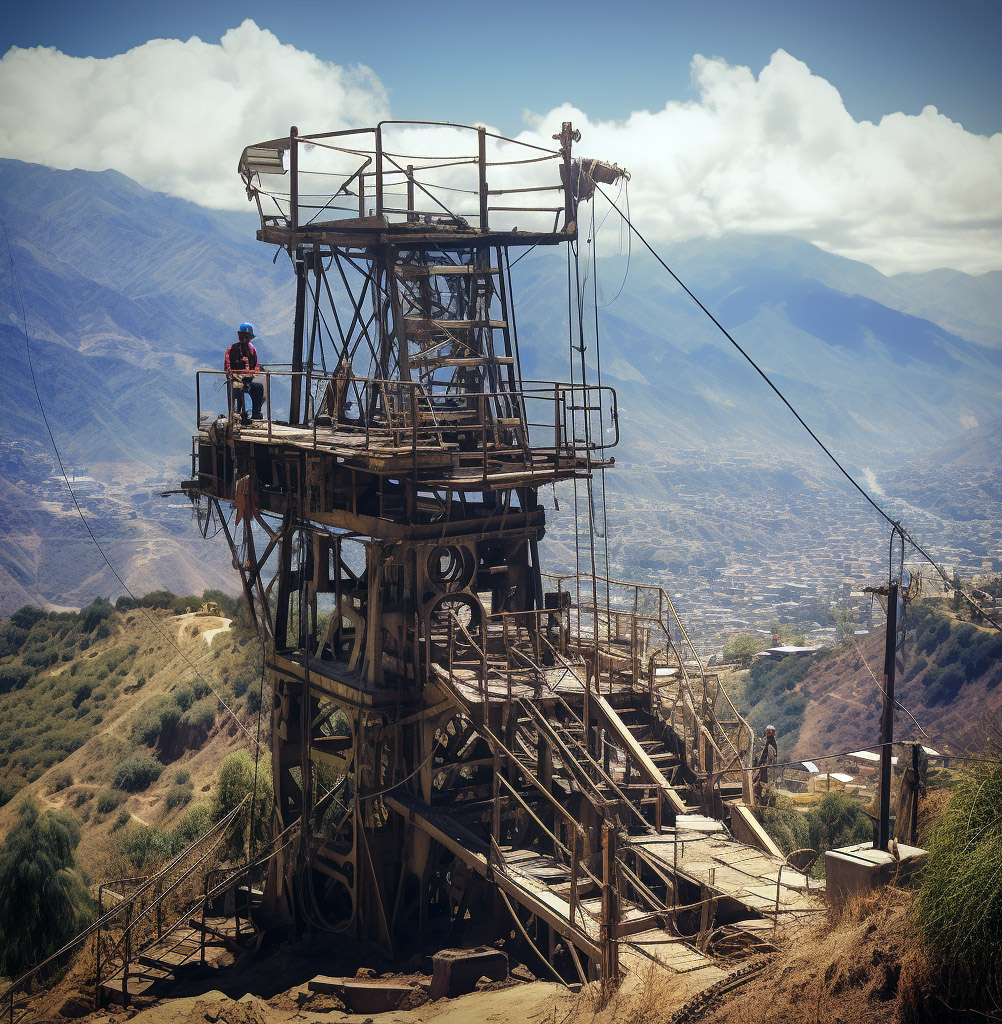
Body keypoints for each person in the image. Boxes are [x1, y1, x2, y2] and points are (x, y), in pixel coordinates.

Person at [225, 322, 264, 422]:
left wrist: (252, 374)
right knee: (238, 388)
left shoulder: (251, 350)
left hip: (248, 379)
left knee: (258, 388)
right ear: (239, 336)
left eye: (248, 336)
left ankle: (256, 413)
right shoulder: (231, 350)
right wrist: (235, 375)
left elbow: (256, 366)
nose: (245, 338)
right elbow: (228, 367)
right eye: (243, 336)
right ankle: (238, 414)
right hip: (235, 380)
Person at [753, 725, 778, 802]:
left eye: (770, 731)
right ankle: (760, 797)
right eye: (768, 731)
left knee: (762, 782)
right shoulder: (768, 741)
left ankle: (762, 799)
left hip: (766, 766)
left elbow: (771, 754)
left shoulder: (771, 742)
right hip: (763, 765)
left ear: (773, 733)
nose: (769, 732)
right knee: (759, 781)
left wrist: (765, 764)